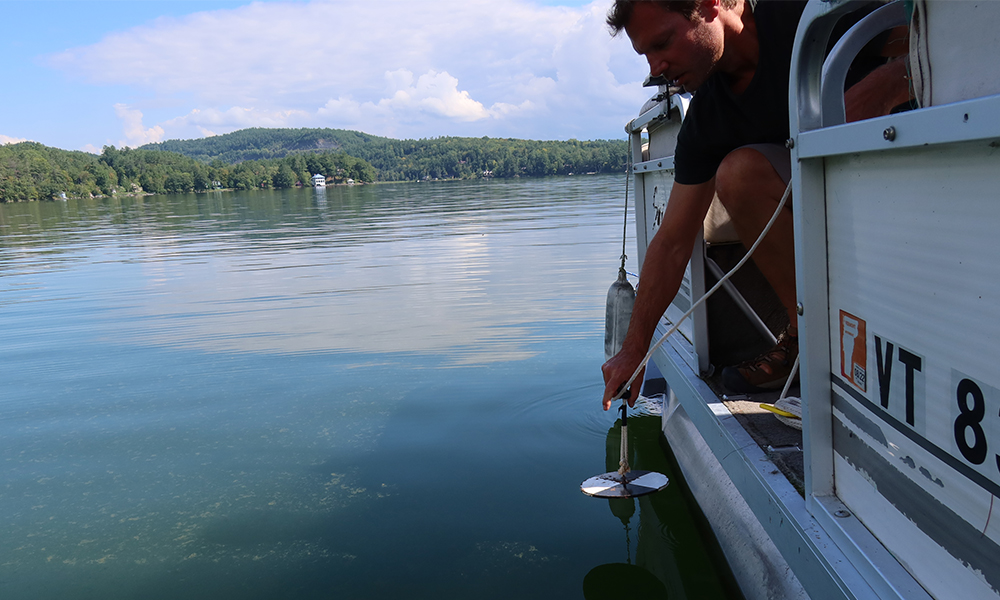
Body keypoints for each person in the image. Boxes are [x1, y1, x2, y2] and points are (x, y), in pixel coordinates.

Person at [601, 0, 910, 411]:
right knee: (739, 174)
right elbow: (673, 241)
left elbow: (938, 28)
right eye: (646, 55)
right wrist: (633, 348)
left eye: (662, 43)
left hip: (917, 185)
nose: (655, 68)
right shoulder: (709, 115)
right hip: (839, 223)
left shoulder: (808, 13)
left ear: (711, 5)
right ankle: (810, 340)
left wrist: (889, 83)